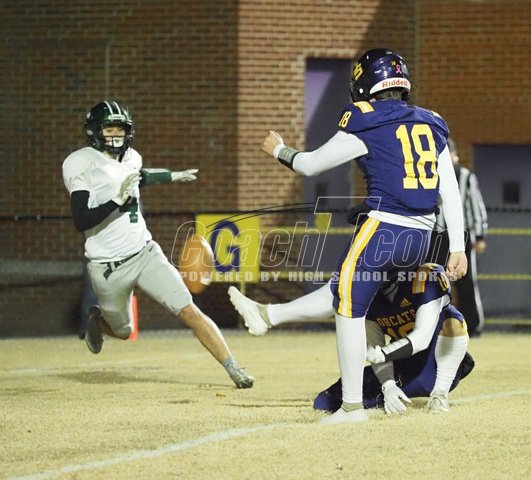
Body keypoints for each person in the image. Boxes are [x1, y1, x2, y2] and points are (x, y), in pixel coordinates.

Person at [261, 48, 467, 424]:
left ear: (363, 83)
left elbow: (311, 164)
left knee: (348, 306)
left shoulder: (366, 117)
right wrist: (458, 247)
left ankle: (352, 406)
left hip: (384, 227)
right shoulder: (432, 121)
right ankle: (388, 380)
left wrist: (279, 150)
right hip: (423, 235)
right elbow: (449, 192)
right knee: (372, 301)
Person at [62, 100, 254, 389]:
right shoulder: (80, 163)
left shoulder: (131, 158)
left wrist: (172, 175)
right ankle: (98, 322)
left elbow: (139, 176)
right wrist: (117, 201)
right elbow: (81, 220)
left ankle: (234, 368)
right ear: (94, 131)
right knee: (124, 331)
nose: (116, 136)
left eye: (120, 129)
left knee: (189, 310)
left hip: (145, 253)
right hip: (108, 266)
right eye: (109, 129)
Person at [228, 263, 474, 414]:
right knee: (325, 402)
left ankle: (439, 396)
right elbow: (375, 343)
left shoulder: (425, 279)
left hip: (439, 362)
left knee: (453, 321)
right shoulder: (368, 297)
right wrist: (388, 385)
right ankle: (269, 315)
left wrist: (382, 354)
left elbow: (421, 339)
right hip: (405, 365)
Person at [433, 138, 488, 337]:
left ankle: (472, 325)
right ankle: (435, 326)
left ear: (455, 155)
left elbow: (476, 206)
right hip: (436, 238)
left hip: (462, 237)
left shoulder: (465, 176)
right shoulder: (430, 175)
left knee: (466, 283)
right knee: (433, 281)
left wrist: (479, 235)